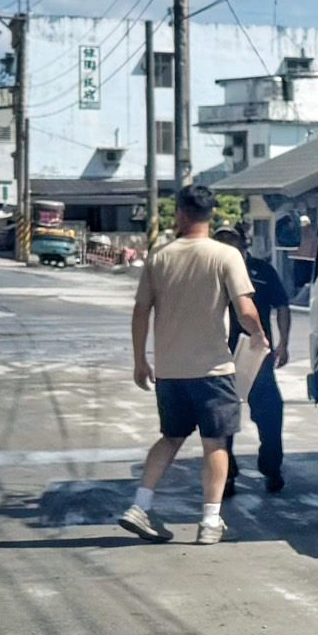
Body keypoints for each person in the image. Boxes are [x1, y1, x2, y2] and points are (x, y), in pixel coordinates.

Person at [119, 186, 268, 545]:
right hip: (213, 370)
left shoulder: (159, 256)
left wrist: (141, 360)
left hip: (170, 371)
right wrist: (260, 336)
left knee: (170, 437)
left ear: (181, 215)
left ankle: (140, 505)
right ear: (211, 215)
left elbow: (141, 311)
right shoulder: (225, 255)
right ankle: (210, 522)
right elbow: (245, 309)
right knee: (215, 443)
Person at [212, 227, 291, 496]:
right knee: (223, 418)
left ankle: (271, 468)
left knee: (270, 413)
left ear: (244, 246)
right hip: (219, 355)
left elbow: (282, 305)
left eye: (231, 244)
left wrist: (283, 343)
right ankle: (228, 475)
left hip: (257, 355)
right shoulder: (208, 272)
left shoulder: (262, 271)